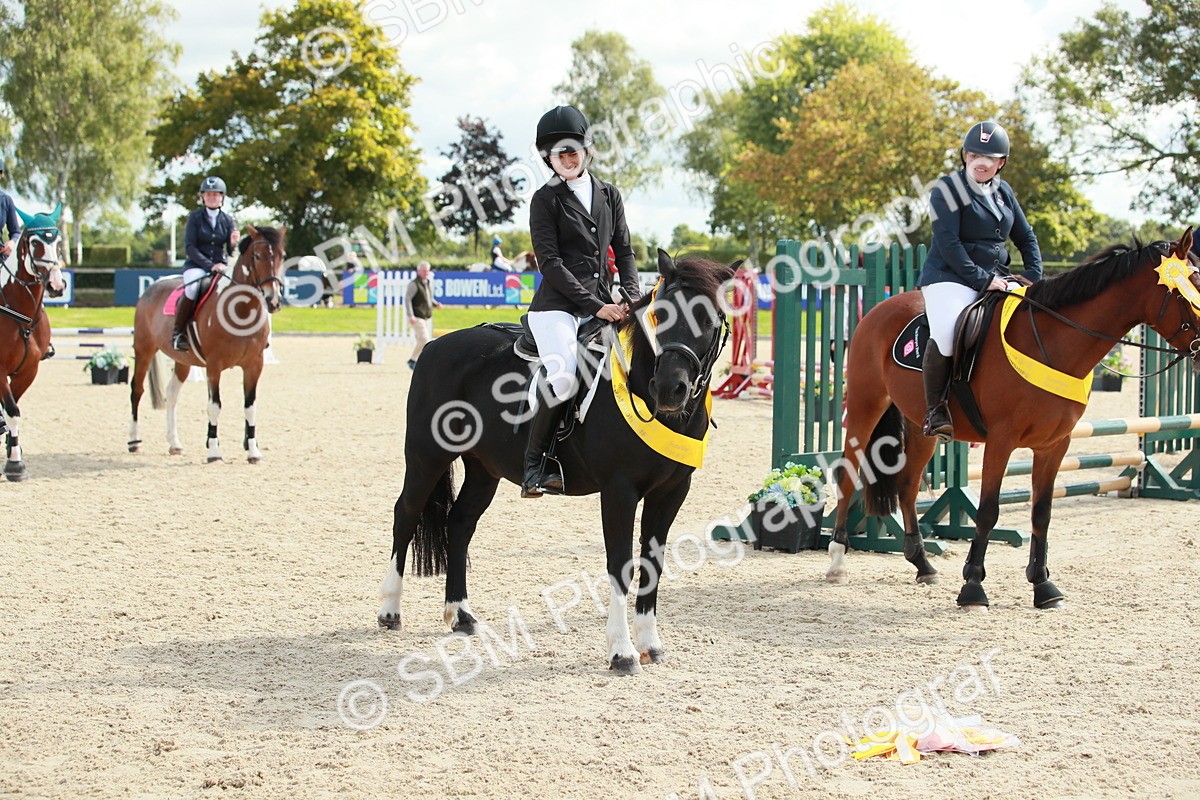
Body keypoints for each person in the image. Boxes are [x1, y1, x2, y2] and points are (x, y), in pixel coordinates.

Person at [522, 104, 641, 498]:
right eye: (558, 155)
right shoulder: (545, 199)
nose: (567, 159)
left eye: (572, 151)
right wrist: (596, 306)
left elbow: (625, 251)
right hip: (557, 308)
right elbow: (551, 264)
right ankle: (535, 466)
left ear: (587, 150)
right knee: (563, 377)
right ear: (548, 159)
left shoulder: (609, 194)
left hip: (605, 302)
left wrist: (632, 296)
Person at [917, 121, 1042, 441]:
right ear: (965, 156)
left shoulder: (1004, 192)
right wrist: (983, 280)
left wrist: (1034, 275)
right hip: (950, 277)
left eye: (989, 157)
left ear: (1001, 162)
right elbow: (949, 243)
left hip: (996, 277)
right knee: (947, 333)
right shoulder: (947, 190)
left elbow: (1025, 236)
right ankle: (935, 410)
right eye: (974, 155)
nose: (980, 162)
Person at [174, 176, 238, 351]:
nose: (212, 197)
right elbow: (190, 247)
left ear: (222, 197)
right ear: (203, 197)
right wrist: (210, 266)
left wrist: (233, 243)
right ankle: (179, 332)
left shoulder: (227, 220)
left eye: (215, 194)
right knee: (192, 288)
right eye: (208, 194)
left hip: (221, 266)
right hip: (197, 266)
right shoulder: (195, 217)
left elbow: (230, 251)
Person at [404, 260, 440, 369]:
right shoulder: (414, 284)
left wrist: (435, 304)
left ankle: (417, 361)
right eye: (424, 271)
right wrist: (410, 315)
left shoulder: (426, 282)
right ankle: (412, 360)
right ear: (418, 271)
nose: (426, 273)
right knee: (424, 339)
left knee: (420, 340)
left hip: (424, 316)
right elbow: (408, 299)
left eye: (427, 271)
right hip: (417, 316)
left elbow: (428, 297)